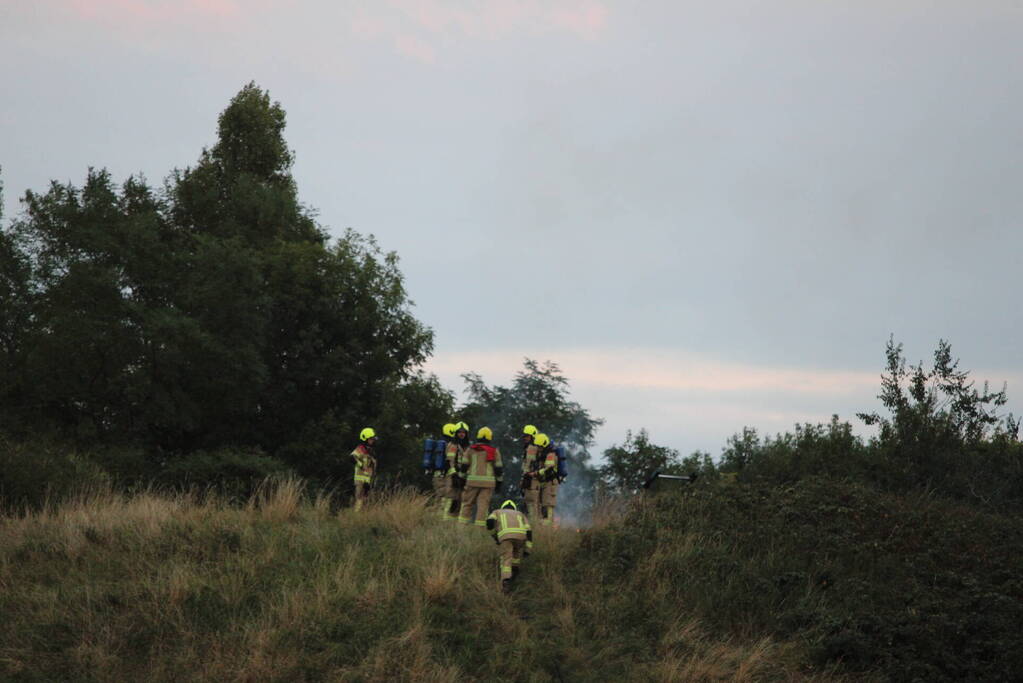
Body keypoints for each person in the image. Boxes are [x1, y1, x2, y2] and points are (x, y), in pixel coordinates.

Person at [458, 426, 503, 527]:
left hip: (472, 482)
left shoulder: (470, 450)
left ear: (478, 437)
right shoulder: (494, 451)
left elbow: (464, 466)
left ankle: (461, 528)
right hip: (488, 484)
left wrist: (461, 479)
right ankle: (480, 530)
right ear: (490, 438)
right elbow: (499, 469)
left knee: (467, 504)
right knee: (483, 506)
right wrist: (499, 483)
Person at [486, 499, 533, 592]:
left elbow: (489, 522)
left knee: (506, 558)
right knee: (516, 554)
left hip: (505, 537)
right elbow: (529, 531)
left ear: (503, 507)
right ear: (514, 508)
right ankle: (515, 571)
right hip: (520, 537)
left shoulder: (497, 512)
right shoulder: (520, 514)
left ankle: (506, 581)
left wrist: (495, 537)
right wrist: (528, 549)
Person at [443, 421, 470, 521]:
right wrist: (454, 475)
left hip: (463, 476)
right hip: (452, 476)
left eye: (463, 432)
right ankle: (445, 520)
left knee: (460, 500)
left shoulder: (467, 447)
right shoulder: (453, 445)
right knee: (450, 498)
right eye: (459, 432)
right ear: (456, 433)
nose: (461, 434)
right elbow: (449, 461)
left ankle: (454, 522)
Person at [351, 427, 378, 511]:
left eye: (373, 439)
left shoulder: (371, 450)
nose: (372, 441)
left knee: (366, 499)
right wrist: (362, 465)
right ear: (365, 439)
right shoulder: (361, 448)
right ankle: (356, 514)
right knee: (359, 498)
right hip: (360, 479)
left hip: (368, 479)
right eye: (371, 439)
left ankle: (363, 514)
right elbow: (352, 458)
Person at [434, 423, 457, 517]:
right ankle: (441, 517)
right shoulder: (449, 444)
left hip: (437, 473)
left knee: (439, 495)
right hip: (445, 474)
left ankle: (437, 516)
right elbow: (450, 461)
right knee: (446, 496)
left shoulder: (438, 443)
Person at [535, 433, 558, 526]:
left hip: (550, 483)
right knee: (543, 503)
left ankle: (548, 525)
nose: (538, 449)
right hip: (545, 482)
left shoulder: (550, 454)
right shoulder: (544, 454)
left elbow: (548, 469)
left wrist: (537, 473)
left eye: (539, 447)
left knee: (548, 504)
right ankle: (544, 524)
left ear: (544, 445)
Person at [519, 425, 541, 517]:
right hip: (533, 480)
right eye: (524, 436)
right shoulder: (534, 448)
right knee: (535, 505)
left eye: (527, 436)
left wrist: (523, 479)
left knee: (531, 505)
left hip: (531, 481)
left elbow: (528, 465)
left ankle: (533, 524)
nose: (525, 438)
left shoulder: (531, 448)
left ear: (532, 436)